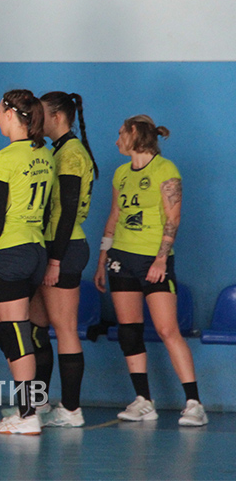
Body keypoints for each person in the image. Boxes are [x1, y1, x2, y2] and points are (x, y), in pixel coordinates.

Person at [93, 115, 207, 426]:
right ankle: (143, 400)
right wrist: (102, 259)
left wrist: (161, 259)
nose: (116, 140)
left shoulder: (165, 169)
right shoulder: (120, 173)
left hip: (152, 259)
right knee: (129, 329)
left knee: (167, 329)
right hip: (121, 257)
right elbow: (114, 216)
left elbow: (173, 218)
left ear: (134, 133)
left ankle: (194, 403)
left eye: (120, 133)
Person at [0, 89, 55, 436]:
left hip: (11, 251)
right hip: (36, 249)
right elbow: (48, 210)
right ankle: (29, 406)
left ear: (10, 114)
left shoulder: (4, 157)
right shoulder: (45, 154)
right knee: (5, 326)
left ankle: (27, 414)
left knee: (17, 332)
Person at [24, 92, 97, 428]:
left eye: (41, 113)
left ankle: (71, 409)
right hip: (49, 245)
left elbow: (67, 211)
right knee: (36, 326)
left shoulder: (70, 153)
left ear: (56, 116)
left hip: (64, 247)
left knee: (64, 328)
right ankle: (39, 403)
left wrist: (55, 261)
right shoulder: (57, 150)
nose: (36, 120)